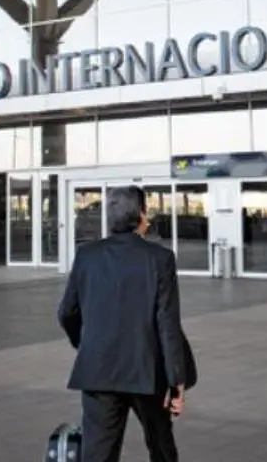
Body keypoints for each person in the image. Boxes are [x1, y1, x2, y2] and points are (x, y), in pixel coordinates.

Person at [58, 186, 189, 462]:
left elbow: (67, 313)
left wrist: (86, 343)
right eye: (147, 211)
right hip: (147, 372)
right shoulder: (160, 259)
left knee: (98, 454)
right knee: (162, 448)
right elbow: (167, 324)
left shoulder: (87, 256)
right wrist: (176, 379)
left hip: (98, 369)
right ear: (140, 214)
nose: (149, 218)